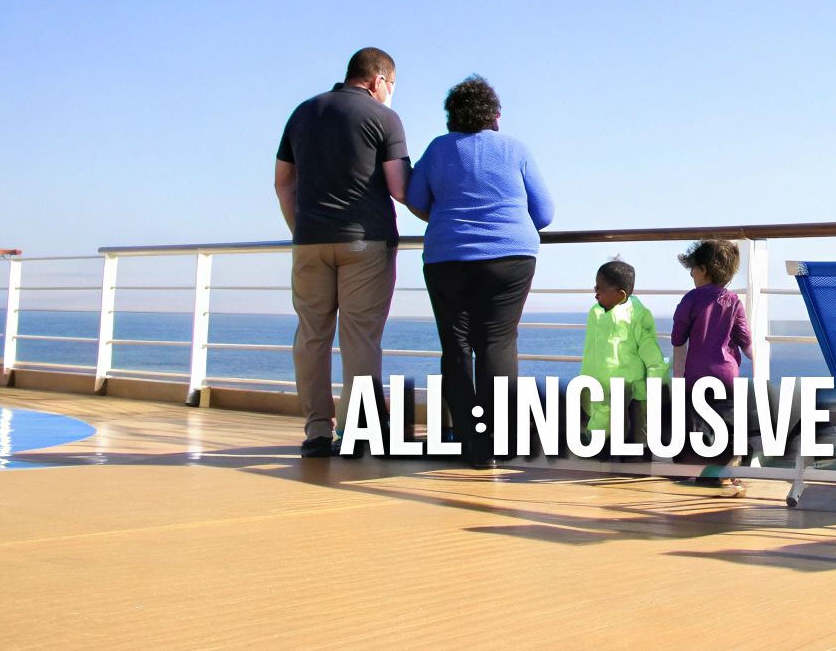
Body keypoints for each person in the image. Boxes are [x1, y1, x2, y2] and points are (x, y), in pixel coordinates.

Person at [406, 74, 553, 467]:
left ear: (450, 118)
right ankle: (500, 442)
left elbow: (415, 199)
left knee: (456, 349)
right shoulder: (515, 149)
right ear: (497, 116)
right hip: (510, 258)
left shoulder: (437, 149)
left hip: (447, 258)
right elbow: (545, 213)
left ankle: (472, 446)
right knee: (497, 344)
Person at [274, 47, 411, 458]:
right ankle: (356, 430)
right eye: (393, 86)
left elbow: (283, 182)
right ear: (378, 80)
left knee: (312, 336)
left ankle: (317, 430)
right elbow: (400, 188)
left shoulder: (303, 112)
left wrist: (302, 230)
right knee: (360, 339)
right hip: (365, 242)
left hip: (311, 241)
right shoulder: (384, 118)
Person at [671, 238, 752, 495]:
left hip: (697, 376)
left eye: (693, 268)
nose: (691, 274)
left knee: (699, 426)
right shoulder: (734, 302)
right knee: (728, 425)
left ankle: (702, 470)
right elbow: (746, 340)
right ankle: (725, 472)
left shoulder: (690, 300)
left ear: (704, 270)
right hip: (727, 376)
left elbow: (678, 339)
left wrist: (678, 374)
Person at [577, 259, 669, 448]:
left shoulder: (637, 317)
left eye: (600, 289)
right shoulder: (596, 313)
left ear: (620, 295)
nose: (595, 293)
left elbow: (654, 359)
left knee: (633, 438)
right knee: (602, 424)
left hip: (628, 392)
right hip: (598, 387)